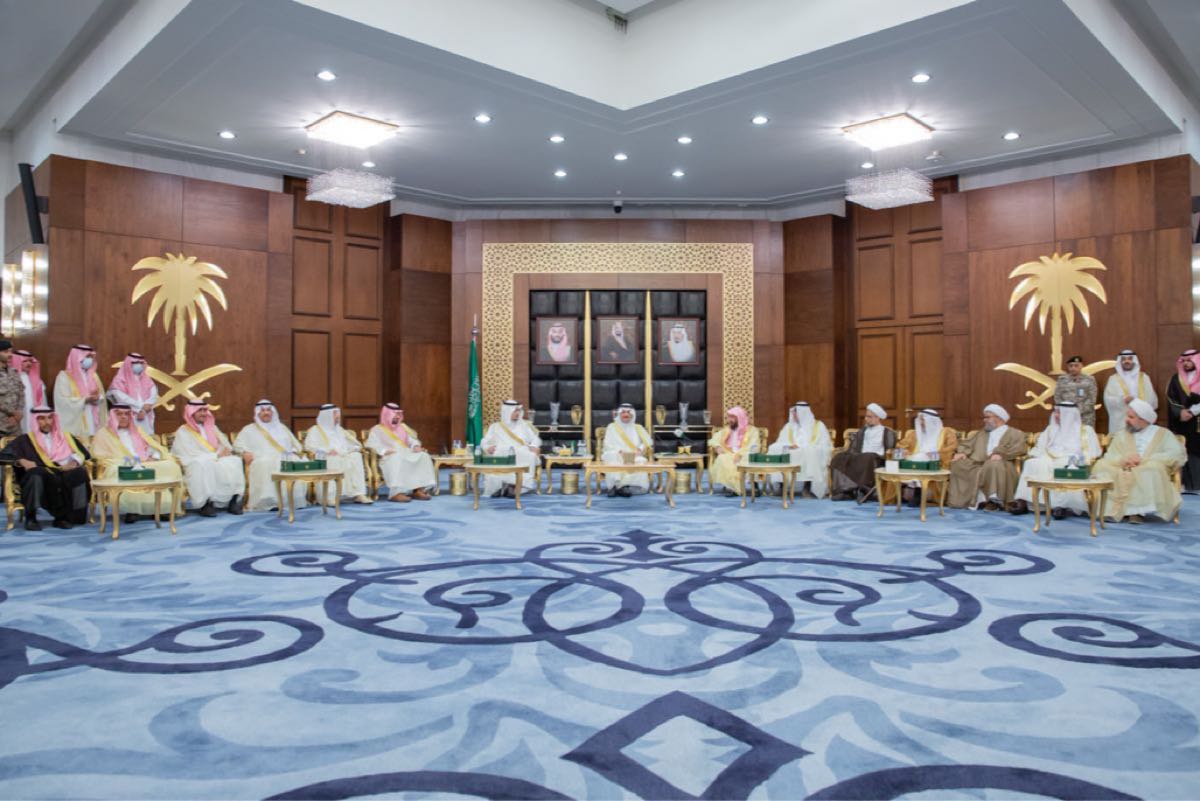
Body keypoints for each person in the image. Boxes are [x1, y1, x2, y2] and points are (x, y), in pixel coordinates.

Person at [1092, 399, 1185, 523]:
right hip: (1123, 466)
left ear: (1143, 419)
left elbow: (1175, 453)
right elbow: (1110, 455)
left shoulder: (1163, 434)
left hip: (1148, 465)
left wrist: (1145, 460)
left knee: (1151, 469)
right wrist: (1123, 460)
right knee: (1101, 465)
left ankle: (1137, 512)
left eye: (1131, 417)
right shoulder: (1121, 434)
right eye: (1127, 416)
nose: (1126, 420)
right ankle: (1110, 510)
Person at [0, 406, 91, 530]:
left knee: (79, 472)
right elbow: (3, 456)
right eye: (42, 418)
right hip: (39, 473)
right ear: (35, 420)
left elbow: (84, 454)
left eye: (50, 418)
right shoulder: (25, 440)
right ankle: (31, 518)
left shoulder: (66, 437)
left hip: (62, 472)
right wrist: (21, 461)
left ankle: (65, 517)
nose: (47, 422)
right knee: (35, 474)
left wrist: (75, 462)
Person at [91, 404, 183, 523]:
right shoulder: (103, 434)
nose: (123, 417)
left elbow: (153, 447)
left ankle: (161, 508)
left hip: (146, 461)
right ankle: (132, 510)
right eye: (119, 414)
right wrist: (134, 462)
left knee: (170, 466)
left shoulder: (137, 430)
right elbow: (101, 457)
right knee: (130, 470)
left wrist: (153, 457)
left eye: (126, 414)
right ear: (112, 416)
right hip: (121, 464)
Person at [1008, 402, 1102, 518]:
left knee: (1064, 466)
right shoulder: (1050, 429)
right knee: (1031, 463)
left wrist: (1080, 460)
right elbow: (1040, 447)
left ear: (1069, 414)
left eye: (1059, 413)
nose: (1055, 415)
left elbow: (1092, 452)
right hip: (1049, 457)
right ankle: (1024, 500)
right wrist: (1040, 456)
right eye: (1055, 412)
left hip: (1071, 459)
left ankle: (1060, 506)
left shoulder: (1086, 431)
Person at [170, 400, 245, 516]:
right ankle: (206, 503)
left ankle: (234, 500)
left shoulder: (212, 427)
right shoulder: (183, 431)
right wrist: (215, 456)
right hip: (195, 461)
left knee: (235, 461)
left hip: (216, 458)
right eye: (199, 411)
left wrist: (225, 451)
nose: (203, 413)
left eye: (205, 410)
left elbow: (225, 445)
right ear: (191, 413)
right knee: (203, 464)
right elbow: (190, 453)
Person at [947, 404, 1027, 510]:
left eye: (987, 417)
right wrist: (962, 453)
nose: (984, 420)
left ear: (999, 418)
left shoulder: (1015, 433)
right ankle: (965, 501)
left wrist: (1001, 454)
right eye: (985, 417)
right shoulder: (982, 433)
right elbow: (968, 445)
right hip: (978, 463)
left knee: (993, 465)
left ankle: (994, 501)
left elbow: (1019, 449)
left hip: (1002, 464)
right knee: (958, 464)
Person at [233, 400, 307, 513]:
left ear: (273, 412)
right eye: (263, 410)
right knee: (267, 463)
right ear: (257, 413)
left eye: (268, 410)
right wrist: (244, 453)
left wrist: (293, 451)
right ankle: (269, 502)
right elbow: (237, 446)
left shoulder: (282, 428)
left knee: (295, 461)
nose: (266, 413)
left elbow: (296, 445)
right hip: (261, 458)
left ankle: (293, 501)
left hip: (283, 457)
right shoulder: (249, 429)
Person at [302, 404, 373, 504]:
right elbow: (309, 446)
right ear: (326, 416)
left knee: (356, 456)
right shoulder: (315, 430)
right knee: (333, 459)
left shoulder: (339, 430)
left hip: (342, 455)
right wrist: (327, 451)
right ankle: (329, 497)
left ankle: (358, 494)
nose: (338, 416)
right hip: (325, 457)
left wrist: (351, 449)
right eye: (334, 413)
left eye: (337, 413)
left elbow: (354, 444)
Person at [366, 403, 436, 502]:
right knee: (396, 458)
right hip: (388, 457)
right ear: (386, 415)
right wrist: (384, 451)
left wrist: (415, 446)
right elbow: (371, 444)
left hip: (405, 454)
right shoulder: (377, 429)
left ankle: (418, 490)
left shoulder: (402, 428)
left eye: (399, 414)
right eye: (394, 414)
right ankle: (396, 493)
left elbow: (411, 440)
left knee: (423, 456)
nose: (397, 416)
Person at [829, 403, 895, 501]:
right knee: (839, 457)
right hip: (861, 456)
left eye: (869, 417)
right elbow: (853, 447)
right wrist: (850, 455)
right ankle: (845, 491)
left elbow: (889, 450)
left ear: (877, 418)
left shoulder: (887, 432)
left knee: (867, 458)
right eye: (866, 416)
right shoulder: (863, 431)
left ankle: (864, 490)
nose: (866, 419)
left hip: (876, 459)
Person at [766, 401, 831, 498]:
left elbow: (824, 445)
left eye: (795, 413)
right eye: (793, 413)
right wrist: (789, 445)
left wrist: (802, 447)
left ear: (803, 413)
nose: (793, 415)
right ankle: (781, 485)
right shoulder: (789, 426)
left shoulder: (818, 426)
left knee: (810, 451)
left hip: (808, 452)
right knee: (774, 448)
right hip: (791, 451)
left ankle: (808, 487)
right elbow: (781, 441)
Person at [480, 399, 541, 497]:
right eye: (515, 411)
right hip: (501, 453)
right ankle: (500, 487)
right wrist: (487, 448)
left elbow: (535, 439)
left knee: (530, 456)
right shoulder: (495, 427)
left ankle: (518, 487)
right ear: (507, 412)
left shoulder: (524, 425)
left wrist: (533, 446)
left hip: (521, 453)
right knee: (497, 456)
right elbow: (484, 441)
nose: (517, 413)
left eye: (518, 411)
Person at [895, 408, 955, 506]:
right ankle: (916, 489)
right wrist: (904, 451)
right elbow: (901, 445)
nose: (921, 423)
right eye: (920, 420)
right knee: (914, 459)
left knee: (920, 458)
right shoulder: (914, 434)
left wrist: (936, 454)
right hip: (915, 458)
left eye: (923, 420)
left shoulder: (946, 433)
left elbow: (952, 448)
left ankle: (917, 492)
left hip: (935, 461)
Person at [53, 344, 107, 439]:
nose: (90, 360)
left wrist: (97, 398)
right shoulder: (64, 377)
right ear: (77, 357)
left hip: (93, 419)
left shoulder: (94, 376)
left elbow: (102, 398)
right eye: (87, 356)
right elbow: (61, 401)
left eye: (91, 357)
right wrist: (85, 400)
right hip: (77, 423)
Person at [1165, 348, 1200, 491]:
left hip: (1197, 422)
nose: (1186, 363)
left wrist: (1192, 411)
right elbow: (1171, 399)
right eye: (1183, 361)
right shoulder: (1176, 379)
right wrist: (1180, 412)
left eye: (1189, 360)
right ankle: (1188, 487)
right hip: (1183, 424)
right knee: (1185, 453)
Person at [601, 403, 653, 496]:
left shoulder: (638, 428)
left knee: (640, 460)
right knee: (612, 457)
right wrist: (619, 451)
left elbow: (647, 442)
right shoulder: (612, 427)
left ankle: (626, 487)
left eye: (628, 412)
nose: (626, 414)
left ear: (632, 414)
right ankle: (614, 486)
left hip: (634, 455)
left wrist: (639, 450)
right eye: (623, 412)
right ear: (619, 414)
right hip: (617, 453)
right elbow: (607, 443)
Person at [1103, 349, 1156, 436]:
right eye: (1124, 359)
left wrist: (1139, 407)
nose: (1127, 361)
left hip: (1140, 418)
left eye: (1130, 359)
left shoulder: (1144, 378)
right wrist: (1122, 400)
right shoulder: (1113, 379)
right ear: (1120, 362)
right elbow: (1108, 400)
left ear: (1134, 360)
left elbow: (1151, 399)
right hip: (1121, 420)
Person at [708, 406, 757, 494]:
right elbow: (713, 440)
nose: (729, 420)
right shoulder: (726, 430)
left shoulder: (752, 431)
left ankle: (749, 486)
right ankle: (732, 487)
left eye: (732, 417)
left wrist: (740, 454)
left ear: (740, 418)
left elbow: (754, 446)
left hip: (744, 455)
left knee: (746, 459)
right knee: (722, 458)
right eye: (729, 417)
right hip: (729, 454)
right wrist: (717, 446)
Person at [108, 352, 159, 435]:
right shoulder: (119, 379)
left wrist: (145, 409)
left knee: (147, 438)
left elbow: (153, 395)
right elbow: (120, 397)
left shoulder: (147, 379)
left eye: (141, 363)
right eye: (136, 363)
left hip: (146, 414)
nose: (139, 365)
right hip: (128, 414)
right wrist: (140, 408)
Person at [1053, 355, 1098, 428]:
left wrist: (1077, 411)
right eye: (1071, 366)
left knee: (1084, 435)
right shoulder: (1062, 380)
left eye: (1076, 365)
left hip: (1085, 417)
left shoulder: (1090, 380)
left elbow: (1091, 399)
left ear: (1081, 366)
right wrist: (1066, 410)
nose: (1073, 368)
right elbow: (1057, 397)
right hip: (1066, 415)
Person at [10, 349, 45, 433]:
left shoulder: (36, 379)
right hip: (15, 415)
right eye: (25, 361)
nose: (29, 363)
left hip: (32, 412)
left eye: (30, 361)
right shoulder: (11, 378)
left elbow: (42, 400)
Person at [0, 340, 23, 438]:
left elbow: (21, 393)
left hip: (15, 425)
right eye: (5, 352)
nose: (10, 354)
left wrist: (19, 413)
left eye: (10, 351)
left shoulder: (14, 372)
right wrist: (13, 413)